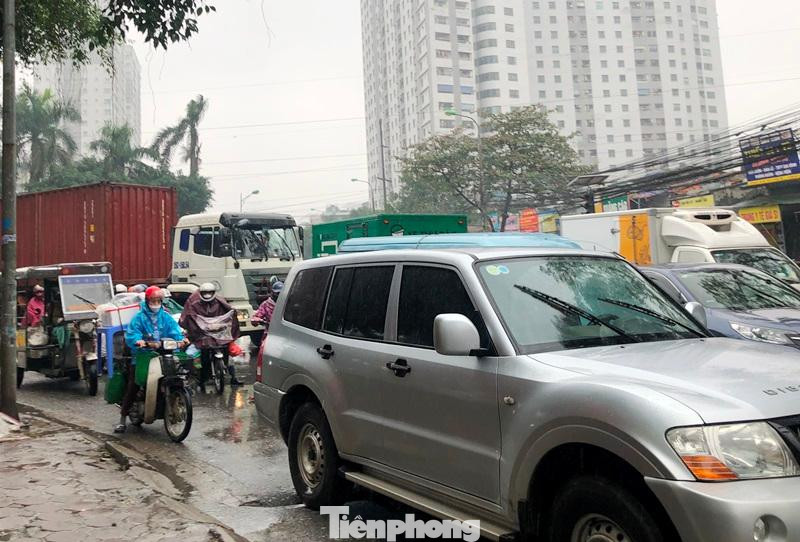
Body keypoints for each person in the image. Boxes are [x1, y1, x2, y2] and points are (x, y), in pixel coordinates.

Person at [116, 286, 186, 433]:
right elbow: (132, 334)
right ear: (147, 301)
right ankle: (122, 419)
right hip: (143, 355)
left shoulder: (165, 317)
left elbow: (175, 332)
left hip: (163, 353)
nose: (155, 304)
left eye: (158, 301)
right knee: (133, 386)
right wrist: (138, 341)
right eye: (153, 301)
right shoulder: (139, 318)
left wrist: (181, 340)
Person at [179, 283, 242, 390]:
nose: (207, 295)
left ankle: (233, 378)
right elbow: (186, 317)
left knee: (229, 356)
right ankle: (200, 377)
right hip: (201, 334)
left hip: (219, 333)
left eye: (210, 293)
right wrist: (194, 327)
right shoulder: (193, 302)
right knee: (195, 356)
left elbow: (230, 312)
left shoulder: (220, 302)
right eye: (205, 293)